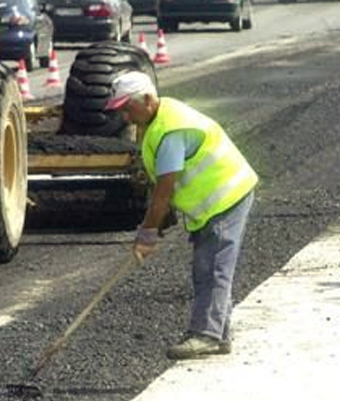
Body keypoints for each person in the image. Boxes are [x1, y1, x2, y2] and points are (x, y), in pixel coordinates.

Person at [104, 71, 258, 360]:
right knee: (208, 265)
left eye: (128, 108)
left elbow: (164, 190)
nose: (125, 116)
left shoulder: (171, 130)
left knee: (212, 266)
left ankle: (207, 335)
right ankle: (217, 332)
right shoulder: (160, 117)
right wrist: (161, 218)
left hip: (225, 196)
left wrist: (147, 234)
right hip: (215, 201)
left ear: (147, 99)